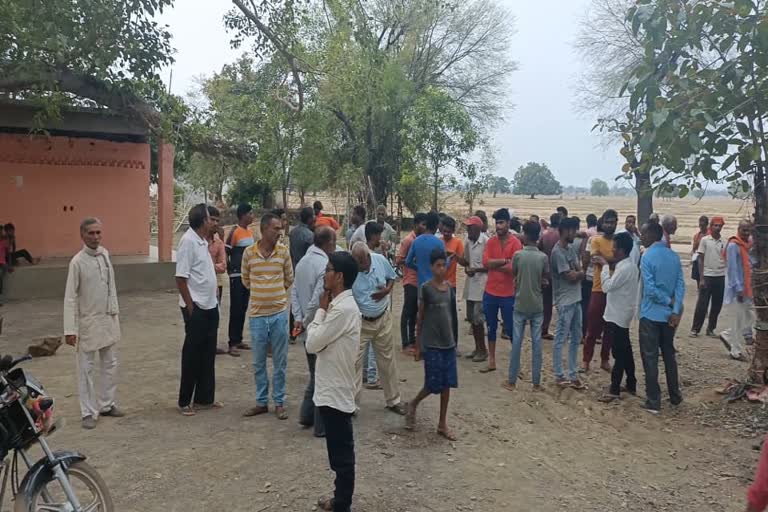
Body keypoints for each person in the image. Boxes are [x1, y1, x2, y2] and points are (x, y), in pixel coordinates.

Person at [306, 252, 361, 512]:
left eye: (328, 269)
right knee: (337, 453)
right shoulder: (339, 306)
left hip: (336, 390)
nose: (324, 274)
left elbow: (312, 343)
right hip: (331, 387)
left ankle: (342, 506)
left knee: (342, 456)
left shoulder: (342, 309)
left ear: (339, 277)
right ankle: (339, 500)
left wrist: (320, 310)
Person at [64, 217, 123, 429]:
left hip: (107, 318)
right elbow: (70, 297)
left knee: (110, 363)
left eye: (98, 232)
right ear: (82, 235)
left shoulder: (105, 254)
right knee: (86, 369)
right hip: (87, 322)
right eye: (91, 233)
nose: (96, 237)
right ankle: (88, 412)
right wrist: (70, 329)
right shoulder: (77, 262)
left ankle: (107, 404)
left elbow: (111, 287)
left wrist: (115, 313)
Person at [242, 213, 294, 420]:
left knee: (280, 362)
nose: (279, 233)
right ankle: (261, 402)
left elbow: (289, 278)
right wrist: (262, 292)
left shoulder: (283, 252)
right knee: (258, 362)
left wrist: (274, 294)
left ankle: (279, 402)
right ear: (263, 230)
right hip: (257, 316)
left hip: (279, 314)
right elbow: (246, 280)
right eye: (275, 229)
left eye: (280, 229)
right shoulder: (249, 253)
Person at [405, 248, 458, 441]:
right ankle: (414, 403)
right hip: (432, 343)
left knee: (447, 384)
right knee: (433, 383)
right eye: (438, 265)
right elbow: (420, 318)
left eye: (444, 265)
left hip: (448, 343)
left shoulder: (450, 288)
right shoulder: (426, 288)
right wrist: (418, 346)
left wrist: (454, 341)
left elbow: (452, 316)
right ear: (431, 267)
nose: (442, 269)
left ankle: (442, 423)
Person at [174, 205, 222, 417]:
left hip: (211, 305)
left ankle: (205, 398)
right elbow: (181, 277)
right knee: (192, 354)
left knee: (208, 353)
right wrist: (190, 305)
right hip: (197, 307)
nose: (215, 223)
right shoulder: (188, 241)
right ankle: (185, 401)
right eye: (212, 219)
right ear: (203, 221)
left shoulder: (204, 241)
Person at [350, 242, 406, 415]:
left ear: (367, 258)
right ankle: (352, 406)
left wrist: (387, 290)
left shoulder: (380, 260)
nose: (358, 266)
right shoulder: (351, 270)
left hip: (382, 319)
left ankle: (393, 401)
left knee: (387, 361)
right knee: (354, 364)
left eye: (360, 262)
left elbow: (392, 277)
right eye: (355, 262)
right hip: (360, 323)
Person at [292, 227, 337, 438]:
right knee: (322, 376)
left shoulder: (302, 262)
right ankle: (320, 425)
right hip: (317, 326)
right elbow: (318, 299)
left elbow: (293, 291)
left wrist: (298, 318)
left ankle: (306, 414)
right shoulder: (323, 265)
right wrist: (308, 319)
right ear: (329, 243)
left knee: (315, 373)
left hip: (306, 325)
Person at [638, 222, 684, 414]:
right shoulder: (674, 256)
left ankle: (653, 400)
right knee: (668, 355)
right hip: (669, 317)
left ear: (652, 234)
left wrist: (665, 302)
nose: (641, 236)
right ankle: (675, 396)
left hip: (650, 314)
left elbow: (649, 289)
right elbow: (681, 286)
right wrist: (675, 308)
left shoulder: (647, 257)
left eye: (644, 233)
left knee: (650, 358)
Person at [502, 221, 548, 391]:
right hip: (537, 305)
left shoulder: (518, 256)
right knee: (537, 344)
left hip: (520, 303)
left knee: (516, 343)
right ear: (538, 236)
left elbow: (514, 273)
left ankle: (511, 381)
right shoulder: (543, 257)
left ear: (525, 234)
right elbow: (544, 277)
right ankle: (536, 383)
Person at [596, 232, 639, 402]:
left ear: (621, 250)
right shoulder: (628, 266)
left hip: (618, 315)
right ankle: (631, 383)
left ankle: (614, 389)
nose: (612, 250)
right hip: (621, 312)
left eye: (614, 247)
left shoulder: (626, 268)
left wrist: (605, 266)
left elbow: (607, 287)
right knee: (626, 351)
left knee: (619, 353)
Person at [481, 208, 522, 373]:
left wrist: (496, 264)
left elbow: (515, 268)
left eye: (501, 222)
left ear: (508, 223)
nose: (498, 226)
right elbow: (485, 263)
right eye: (496, 222)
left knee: (512, 329)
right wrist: (505, 261)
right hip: (490, 292)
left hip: (508, 294)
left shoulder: (516, 243)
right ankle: (491, 360)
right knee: (491, 327)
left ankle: (516, 363)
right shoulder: (491, 242)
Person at [551, 217, 586, 389]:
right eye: (573, 230)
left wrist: (578, 273)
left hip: (576, 299)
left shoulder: (571, 249)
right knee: (561, 337)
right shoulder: (557, 252)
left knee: (575, 338)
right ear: (564, 231)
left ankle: (572, 373)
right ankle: (559, 374)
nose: (575, 233)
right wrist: (579, 273)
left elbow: (578, 271)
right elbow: (571, 276)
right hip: (564, 301)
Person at [582, 209, 618, 373]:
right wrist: (613, 260)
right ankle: (586, 361)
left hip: (614, 289)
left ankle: (605, 359)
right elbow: (594, 258)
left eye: (613, 221)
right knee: (592, 327)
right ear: (602, 223)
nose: (610, 224)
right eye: (607, 222)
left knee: (609, 329)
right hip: (598, 287)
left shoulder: (618, 241)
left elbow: (619, 260)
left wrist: (606, 260)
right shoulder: (595, 240)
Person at [720, 220, 755, 361]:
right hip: (738, 290)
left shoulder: (748, 245)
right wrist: (739, 289)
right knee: (738, 320)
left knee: (749, 318)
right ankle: (735, 351)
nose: (746, 233)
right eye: (743, 230)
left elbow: (750, 264)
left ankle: (727, 335)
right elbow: (732, 270)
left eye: (748, 231)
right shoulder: (734, 245)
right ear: (738, 229)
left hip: (748, 288)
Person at [225, 204, 255, 357]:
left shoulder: (250, 232)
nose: (252, 216)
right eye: (250, 213)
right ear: (243, 215)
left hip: (247, 276)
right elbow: (226, 251)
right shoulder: (234, 232)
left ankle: (239, 339)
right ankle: (232, 343)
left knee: (243, 307)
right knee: (235, 308)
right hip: (237, 276)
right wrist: (231, 271)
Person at [459, 216, 489, 362]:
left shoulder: (486, 242)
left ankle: (483, 350)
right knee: (471, 318)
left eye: (470, 227)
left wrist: (476, 269)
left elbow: (490, 266)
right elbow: (466, 261)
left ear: (478, 228)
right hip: (471, 284)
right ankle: (477, 348)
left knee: (478, 319)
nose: (468, 230)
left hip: (482, 285)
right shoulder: (468, 241)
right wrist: (459, 261)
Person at [691, 217, 726, 338]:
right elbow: (700, 258)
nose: (717, 227)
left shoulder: (724, 242)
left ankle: (711, 328)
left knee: (717, 304)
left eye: (719, 225)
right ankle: (695, 329)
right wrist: (701, 278)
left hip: (720, 276)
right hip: (707, 276)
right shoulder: (705, 240)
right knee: (702, 304)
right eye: (715, 225)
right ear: (711, 226)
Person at [398, 213, 427, 354]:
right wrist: (416, 264)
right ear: (416, 224)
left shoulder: (420, 240)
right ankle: (405, 343)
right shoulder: (409, 240)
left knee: (415, 312)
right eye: (422, 224)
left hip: (418, 280)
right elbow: (399, 260)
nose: (424, 227)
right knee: (408, 312)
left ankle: (412, 341)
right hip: (410, 280)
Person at [362, 222, 384, 388]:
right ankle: (371, 376)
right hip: (373, 307)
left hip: (363, 306)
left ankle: (365, 374)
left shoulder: (363, 255)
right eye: (379, 235)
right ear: (374, 236)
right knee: (373, 344)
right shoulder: (374, 258)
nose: (380, 239)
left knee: (364, 342)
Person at [441, 216, 464, 348]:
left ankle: (453, 343)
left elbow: (463, 261)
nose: (446, 234)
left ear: (452, 231)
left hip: (451, 284)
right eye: (444, 231)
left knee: (452, 315)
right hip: (439, 283)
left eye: (449, 232)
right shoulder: (438, 242)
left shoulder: (457, 243)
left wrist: (455, 256)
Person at [406, 212, 445, 287]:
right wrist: (450, 259)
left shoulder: (416, 241)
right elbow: (444, 264)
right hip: (435, 285)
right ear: (437, 225)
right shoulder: (440, 243)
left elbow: (408, 262)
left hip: (421, 284)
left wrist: (419, 268)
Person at [538, 213, 561, 340]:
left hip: (545, 273)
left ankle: (542, 328)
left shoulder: (545, 234)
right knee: (559, 303)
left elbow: (539, 249)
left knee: (545, 303)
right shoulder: (560, 235)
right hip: (558, 274)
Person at [206, 207, 226, 305]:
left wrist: (204, 266)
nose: (215, 223)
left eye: (217, 221)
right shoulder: (195, 242)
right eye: (212, 219)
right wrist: (213, 266)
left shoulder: (219, 243)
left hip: (216, 284)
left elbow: (223, 267)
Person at [691, 215, 710, 285]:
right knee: (699, 283)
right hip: (698, 260)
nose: (701, 227)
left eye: (703, 225)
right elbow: (693, 249)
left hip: (707, 262)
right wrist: (693, 255)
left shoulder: (710, 235)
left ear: (707, 225)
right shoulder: (697, 236)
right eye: (700, 225)